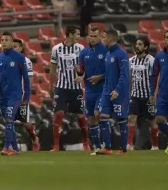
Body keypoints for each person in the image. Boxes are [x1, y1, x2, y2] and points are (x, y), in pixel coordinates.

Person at [0, 32, 31, 156]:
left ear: (12, 42)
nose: (4, 42)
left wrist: (26, 96)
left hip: (15, 95)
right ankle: (15, 149)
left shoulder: (19, 57)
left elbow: (26, 79)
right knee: (7, 121)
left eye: (6, 40)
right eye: (2, 40)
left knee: (10, 119)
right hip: (3, 95)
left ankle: (6, 147)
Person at [49, 26, 88, 151]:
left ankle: (86, 142)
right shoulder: (56, 49)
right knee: (58, 114)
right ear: (70, 34)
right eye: (77, 34)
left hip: (76, 87)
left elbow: (86, 67)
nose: (79, 37)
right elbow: (53, 69)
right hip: (61, 87)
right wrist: (51, 86)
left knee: (80, 116)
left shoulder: (81, 48)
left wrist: (82, 77)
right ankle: (55, 145)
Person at [97, 29, 130, 155]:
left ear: (110, 39)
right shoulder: (108, 54)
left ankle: (123, 149)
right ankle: (108, 147)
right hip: (106, 92)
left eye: (104, 37)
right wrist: (104, 91)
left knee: (121, 119)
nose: (102, 40)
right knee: (103, 117)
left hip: (119, 92)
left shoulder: (121, 54)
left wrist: (117, 90)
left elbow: (124, 75)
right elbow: (108, 75)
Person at [76, 27, 107, 155]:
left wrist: (100, 77)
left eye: (95, 36)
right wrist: (79, 73)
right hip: (89, 90)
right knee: (90, 119)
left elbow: (111, 70)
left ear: (100, 37)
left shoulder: (105, 50)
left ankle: (107, 143)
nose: (92, 38)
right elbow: (81, 70)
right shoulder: (84, 53)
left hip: (102, 89)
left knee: (97, 113)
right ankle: (98, 147)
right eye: (91, 36)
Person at [127, 38, 159, 151]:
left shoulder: (151, 60)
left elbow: (156, 77)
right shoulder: (131, 60)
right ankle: (129, 144)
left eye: (140, 44)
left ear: (145, 47)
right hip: (135, 95)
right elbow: (128, 77)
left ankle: (155, 146)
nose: (137, 46)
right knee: (131, 118)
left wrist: (155, 93)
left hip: (148, 96)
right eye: (136, 44)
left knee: (152, 120)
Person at [13, 38, 40, 151]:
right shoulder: (6, 59)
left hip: (21, 94)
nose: (13, 48)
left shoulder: (26, 61)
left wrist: (26, 94)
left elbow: (29, 79)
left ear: (21, 48)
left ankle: (34, 138)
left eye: (15, 46)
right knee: (8, 121)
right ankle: (12, 147)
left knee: (24, 122)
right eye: (12, 46)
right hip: (9, 95)